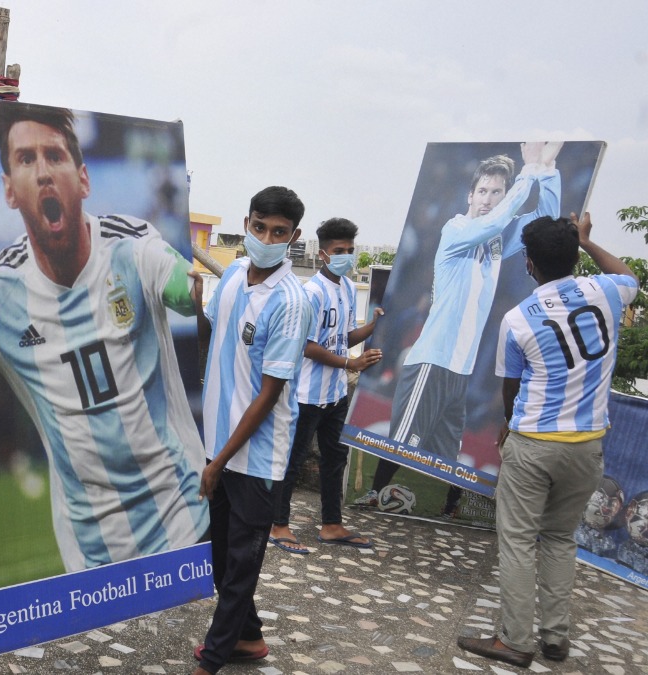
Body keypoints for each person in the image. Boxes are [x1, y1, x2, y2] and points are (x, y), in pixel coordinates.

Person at [0, 101, 207, 572]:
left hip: (188, 523)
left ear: (82, 179)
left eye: (55, 156)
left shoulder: (132, 247)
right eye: (26, 159)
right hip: (90, 561)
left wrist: (204, 290)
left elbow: (183, 287)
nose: (43, 172)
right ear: (8, 189)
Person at [458, 212, 639, 668]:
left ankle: (515, 641)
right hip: (588, 445)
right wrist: (588, 242)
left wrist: (506, 421)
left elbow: (511, 386)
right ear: (575, 255)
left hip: (535, 440)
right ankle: (556, 639)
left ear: (530, 264)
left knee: (518, 540)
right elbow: (629, 275)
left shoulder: (518, 319)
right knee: (560, 538)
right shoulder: (608, 292)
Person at [357, 142, 562, 510]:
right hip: (432, 361)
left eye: (496, 192)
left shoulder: (498, 238)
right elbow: (496, 220)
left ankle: (449, 510)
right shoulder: (456, 229)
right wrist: (527, 172)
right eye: (482, 190)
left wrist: (547, 172)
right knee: (403, 442)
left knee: (448, 458)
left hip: (461, 369)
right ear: (470, 194)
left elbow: (545, 223)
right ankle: (372, 495)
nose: (487, 198)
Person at [193, 186, 312, 675]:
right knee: (220, 558)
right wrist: (192, 305)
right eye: (260, 227)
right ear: (246, 223)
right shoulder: (234, 276)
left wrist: (219, 462)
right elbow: (210, 335)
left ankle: (213, 658)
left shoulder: (290, 300)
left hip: (256, 454)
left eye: (279, 232)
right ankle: (250, 638)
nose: (266, 238)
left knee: (240, 565)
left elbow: (269, 395)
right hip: (216, 442)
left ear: (294, 237)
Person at [269, 218, 383, 554]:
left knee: (336, 457)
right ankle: (279, 525)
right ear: (323, 254)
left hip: (335, 394)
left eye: (350, 250)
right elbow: (307, 346)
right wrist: (350, 363)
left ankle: (332, 524)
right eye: (339, 251)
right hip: (306, 394)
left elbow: (345, 337)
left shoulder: (347, 287)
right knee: (293, 460)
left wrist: (374, 325)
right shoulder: (311, 293)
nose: (346, 256)